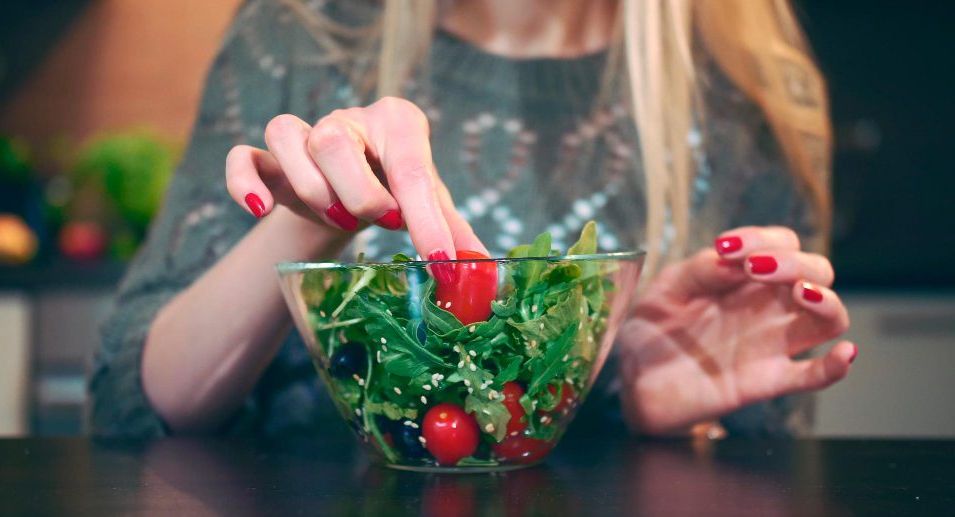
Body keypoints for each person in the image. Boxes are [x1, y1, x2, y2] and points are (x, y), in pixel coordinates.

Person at [89, 0, 855, 438]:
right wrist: (314, 215)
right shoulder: (296, 34)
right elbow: (131, 397)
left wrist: (625, 380)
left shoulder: (743, 93)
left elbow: (771, 426)